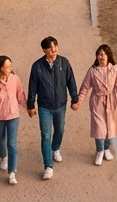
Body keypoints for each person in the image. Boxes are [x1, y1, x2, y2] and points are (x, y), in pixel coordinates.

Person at [26, 37, 79, 179]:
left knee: (60, 130)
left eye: (55, 46)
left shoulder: (64, 63)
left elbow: (71, 82)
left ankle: (55, 148)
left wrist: (75, 99)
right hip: (44, 106)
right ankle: (48, 166)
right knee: (46, 136)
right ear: (44, 50)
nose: (53, 50)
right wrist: (31, 105)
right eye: (50, 48)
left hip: (60, 105)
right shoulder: (37, 67)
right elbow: (32, 87)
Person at [77, 44, 117, 167]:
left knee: (110, 126)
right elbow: (85, 87)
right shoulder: (92, 70)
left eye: (102, 54)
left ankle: (106, 148)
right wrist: (78, 101)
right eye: (98, 54)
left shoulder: (115, 69)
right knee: (99, 128)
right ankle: (99, 151)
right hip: (97, 101)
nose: (100, 57)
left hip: (111, 101)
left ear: (108, 56)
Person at [0, 55, 27, 185]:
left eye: (10, 65)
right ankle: (3, 157)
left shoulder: (15, 79)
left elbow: (20, 95)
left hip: (13, 116)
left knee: (12, 144)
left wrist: (28, 108)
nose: (10, 68)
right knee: (1, 140)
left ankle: (12, 172)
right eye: (8, 66)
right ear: (1, 68)